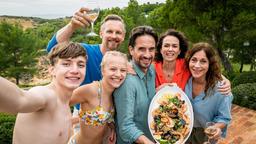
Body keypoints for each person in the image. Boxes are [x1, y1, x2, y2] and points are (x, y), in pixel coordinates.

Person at [0, 42, 87, 144]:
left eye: (80, 65)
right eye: (66, 64)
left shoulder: (65, 105)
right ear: (52, 70)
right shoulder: (46, 94)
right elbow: (20, 100)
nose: (75, 70)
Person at [46, 7, 126, 115]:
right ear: (101, 33)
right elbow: (53, 48)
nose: (114, 36)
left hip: (110, 116)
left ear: (123, 37)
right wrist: (72, 26)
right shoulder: (86, 52)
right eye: (109, 31)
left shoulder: (124, 62)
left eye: (118, 32)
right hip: (83, 115)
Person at [67, 51, 128, 144]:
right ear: (103, 70)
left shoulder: (115, 94)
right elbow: (60, 103)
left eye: (123, 70)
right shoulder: (91, 90)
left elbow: (102, 118)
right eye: (113, 69)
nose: (118, 74)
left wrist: (112, 128)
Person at [114, 26, 158, 144]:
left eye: (151, 49)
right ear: (131, 50)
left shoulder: (152, 70)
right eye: (142, 49)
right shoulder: (126, 82)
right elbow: (126, 128)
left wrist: (159, 91)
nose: (147, 55)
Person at [155, 29, 231, 94]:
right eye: (166, 45)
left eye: (174, 46)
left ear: (179, 51)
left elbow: (207, 69)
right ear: (161, 49)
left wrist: (225, 80)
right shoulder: (151, 68)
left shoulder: (186, 64)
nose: (170, 49)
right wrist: (157, 90)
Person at [184, 42, 232, 144]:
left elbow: (224, 118)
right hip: (182, 130)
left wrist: (216, 128)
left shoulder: (221, 89)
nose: (197, 65)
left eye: (203, 61)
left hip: (205, 135)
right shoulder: (185, 79)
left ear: (210, 64)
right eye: (194, 60)